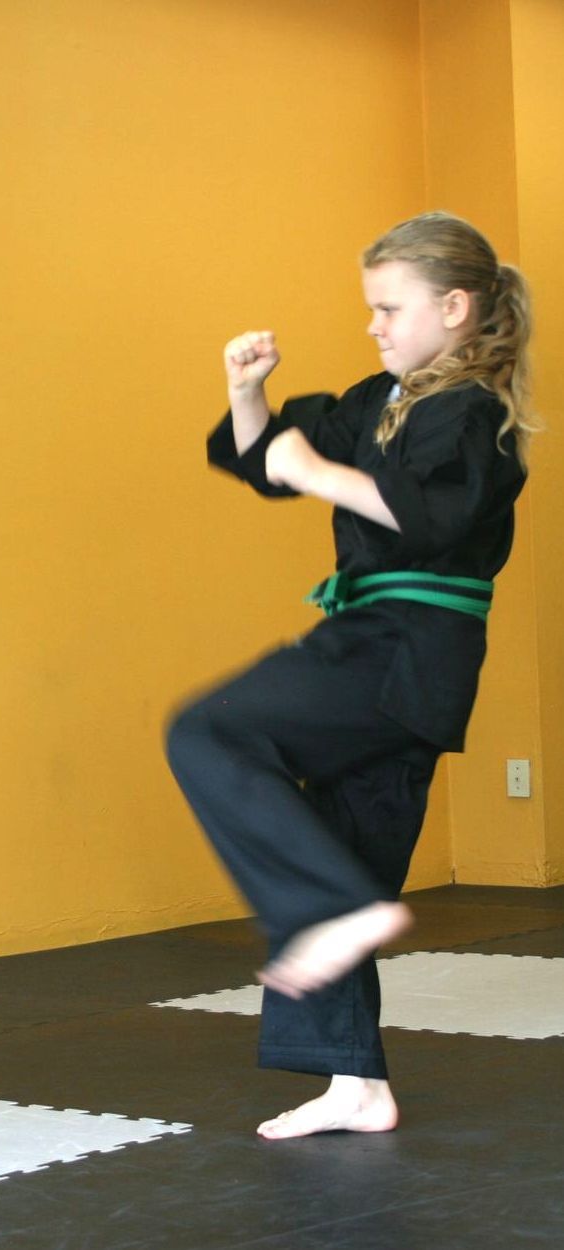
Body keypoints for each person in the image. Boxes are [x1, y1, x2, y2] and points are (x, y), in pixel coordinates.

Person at [165, 212, 534, 1139]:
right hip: (390, 651)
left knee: (207, 730)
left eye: (388, 307)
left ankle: (330, 910)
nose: (373, 323)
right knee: (347, 847)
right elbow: (265, 460)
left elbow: (432, 521)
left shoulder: (476, 414)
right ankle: (355, 1085)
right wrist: (249, 393)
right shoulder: (380, 396)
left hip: (403, 649)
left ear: (454, 308)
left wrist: (317, 474)